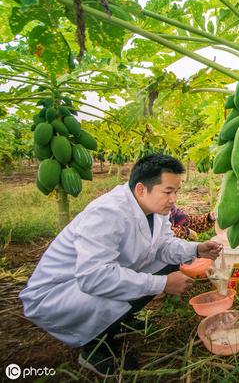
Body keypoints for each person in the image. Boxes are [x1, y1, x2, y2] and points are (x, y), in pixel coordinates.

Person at [19, 154, 223, 377]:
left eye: (176, 191)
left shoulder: (156, 210)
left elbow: (164, 246)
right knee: (154, 279)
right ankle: (94, 349)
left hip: (96, 278)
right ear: (141, 189)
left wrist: (195, 249)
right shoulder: (107, 213)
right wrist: (162, 284)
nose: (174, 198)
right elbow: (94, 278)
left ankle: (118, 319)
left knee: (168, 263)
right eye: (168, 191)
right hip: (60, 293)